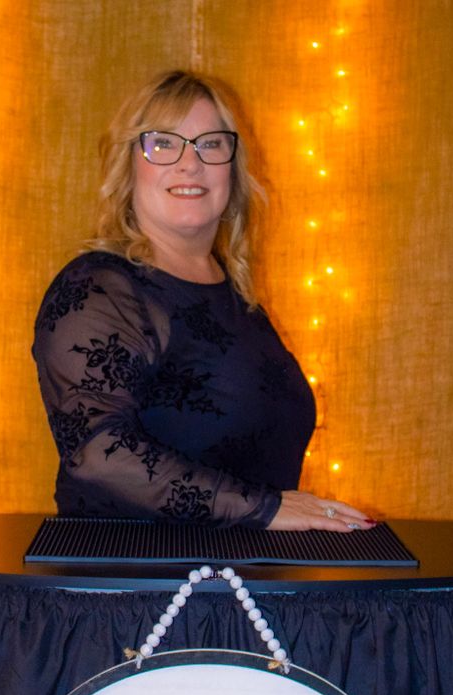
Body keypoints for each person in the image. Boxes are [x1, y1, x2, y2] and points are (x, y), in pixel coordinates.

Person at [33, 69, 374, 532]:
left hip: (235, 584)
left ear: (233, 169)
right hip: (134, 591)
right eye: (163, 143)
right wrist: (263, 509)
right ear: (127, 166)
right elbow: (98, 453)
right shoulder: (98, 289)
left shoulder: (236, 296)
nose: (189, 163)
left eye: (210, 144)